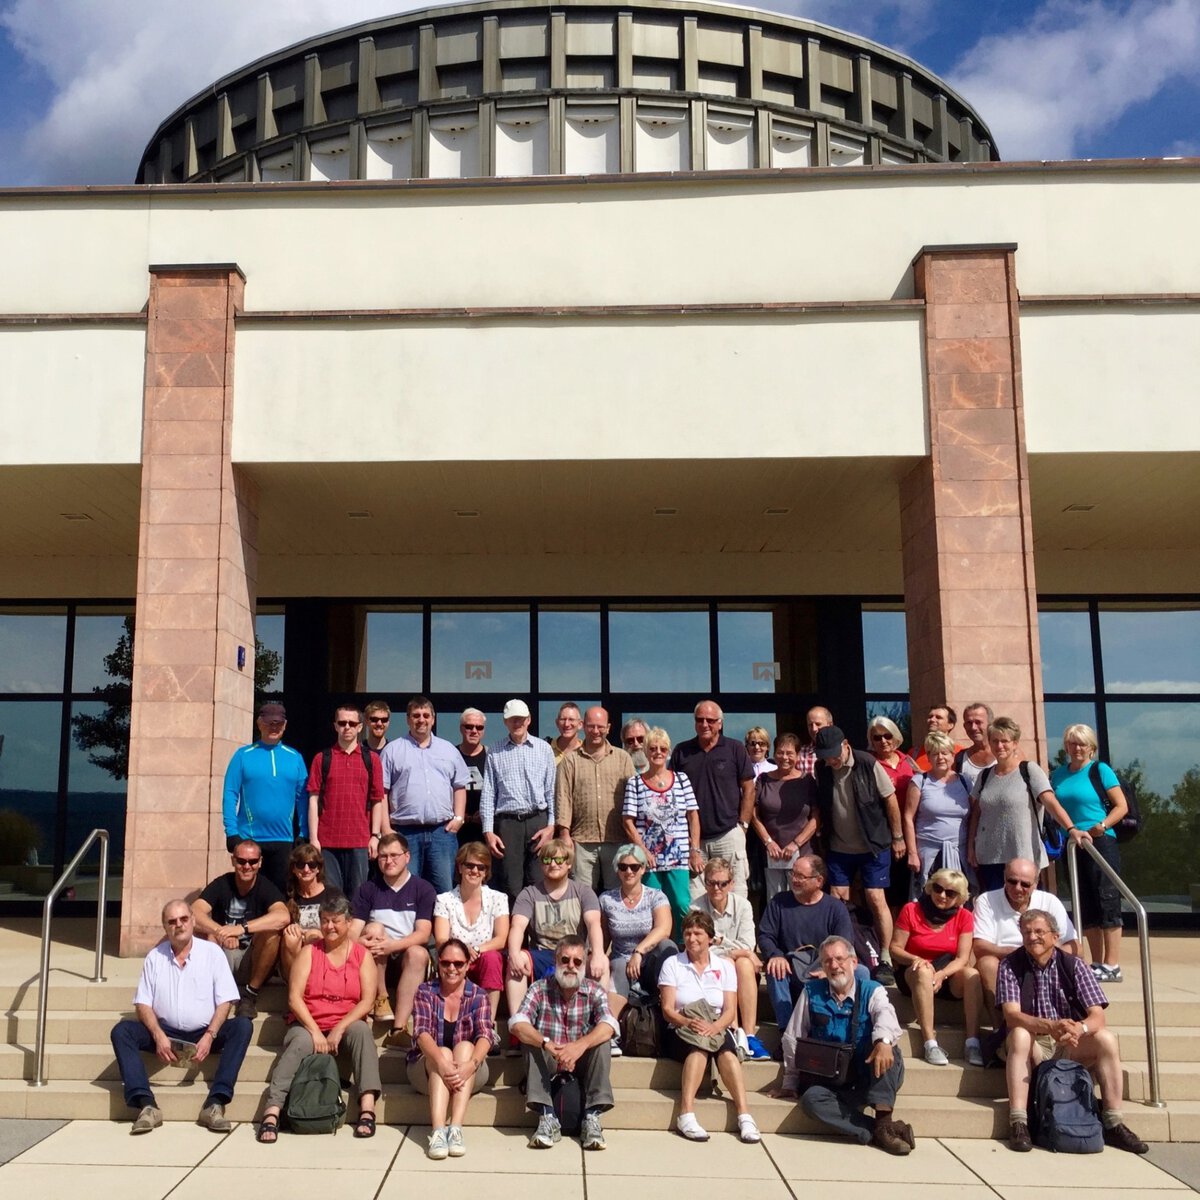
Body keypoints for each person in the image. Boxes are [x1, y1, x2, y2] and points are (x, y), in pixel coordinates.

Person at [997, 909, 1147, 1155]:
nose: (1032, 937)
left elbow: (1098, 1016)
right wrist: (1049, 1026)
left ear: (1055, 936)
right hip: (1033, 1042)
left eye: (1039, 931)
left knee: (1106, 1039)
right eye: (1026, 932)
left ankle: (1113, 1122)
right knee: (1020, 1034)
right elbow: (1011, 1016)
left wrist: (1079, 1028)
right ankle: (1019, 1122)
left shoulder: (1074, 965)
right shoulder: (1010, 965)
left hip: (1069, 1042)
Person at [110, 900, 253, 1134]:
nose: (179, 925)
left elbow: (225, 1001)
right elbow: (143, 1004)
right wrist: (158, 1035)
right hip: (166, 1033)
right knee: (122, 1031)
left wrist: (210, 1035)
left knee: (242, 1026)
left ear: (193, 921)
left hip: (205, 1031)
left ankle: (215, 1103)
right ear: (165, 927)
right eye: (172, 921)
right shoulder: (155, 957)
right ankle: (146, 1105)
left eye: (184, 919)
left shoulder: (212, 953)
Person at [256, 890, 381, 1143]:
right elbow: (294, 998)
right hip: (308, 1022)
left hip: (346, 1023)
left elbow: (367, 1001)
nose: (329, 926)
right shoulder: (309, 952)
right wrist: (314, 1031)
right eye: (325, 920)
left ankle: (367, 1108)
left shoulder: (361, 955)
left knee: (362, 1032)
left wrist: (339, 1028)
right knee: (300, 1042)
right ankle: (272, 1111)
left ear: (349, 923)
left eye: (336, 921)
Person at [774, 935, 914, 1156]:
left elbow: (886, 1015)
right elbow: (793, 1038)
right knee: (811, 1100)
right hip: (834, 1081)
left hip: (872, 1076)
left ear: (854, 962)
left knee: (887, 1048)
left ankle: (884, 1119)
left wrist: (884, 1041)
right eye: (827, 961)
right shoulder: (811, 992)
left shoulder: (872, 989)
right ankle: (880, 1130)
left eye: (839, 959)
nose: (834, 965)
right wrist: (790, 1082)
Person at [659, 911, 761, 1143]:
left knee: (728, 1054)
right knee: (700, 1049)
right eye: (687, 933)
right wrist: (689, 1022)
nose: (692, 938)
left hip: (716, 1022)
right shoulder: (673, 964)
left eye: (698, 933)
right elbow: (667, 1009)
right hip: (681, 1024)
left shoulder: (724, 967)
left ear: (710, 938)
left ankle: (744, 1115)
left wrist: (715, 1027)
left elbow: (730, 1010)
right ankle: (686, 1114)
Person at [509, 933, 617, 1151]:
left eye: (577, 961)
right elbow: (517, 1023)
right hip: (550, 1059)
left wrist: (580, 1046)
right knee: (530, 1039)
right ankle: (547, 1117)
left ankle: (592, 1118)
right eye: (565, 960)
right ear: (556, 961)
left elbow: (609, 1024)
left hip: (582, 1061)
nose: (571, 966)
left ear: (584, 964)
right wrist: (547, 1044)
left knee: (602, 1041)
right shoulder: (539, 988)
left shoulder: (594, 990)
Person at [812, 725, 903, 982]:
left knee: (875, 897)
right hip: (839, 846)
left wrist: (897, 837)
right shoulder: (822, 768)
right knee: (837, 899)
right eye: (825, 756)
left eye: (834, 754)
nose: (831, 760)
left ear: (846, 745)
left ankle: (885, 956)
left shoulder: (867, 763)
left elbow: (890, 799)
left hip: (873, 844)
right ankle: (843, 954)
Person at [967, 716, 1085, 894]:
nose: (999, 746)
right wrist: (971, 846)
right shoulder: (984, 776)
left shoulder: (1029, 770)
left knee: (1025, 905)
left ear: (1015, 743)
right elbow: (976, 814)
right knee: (994, 907)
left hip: (1022, 854)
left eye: (1005, 741)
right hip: (989, 857)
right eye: (995, 741)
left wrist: (1071, 829)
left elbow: (1050, 802)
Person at [1050, 723, 1129, 983]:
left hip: (1100, 841)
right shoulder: (1058, 775)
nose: (1076, 748)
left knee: (1107, 898)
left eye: (1081, 743)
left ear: (1091, 747)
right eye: (1072, 743)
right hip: (1073, 844)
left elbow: (1121, 806)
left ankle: (1112, 964)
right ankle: (1097, 962)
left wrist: (1102, 826)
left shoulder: (1100, 770)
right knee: (1085, 901)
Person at [409, 936, 497, 1159]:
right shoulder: (425, 991)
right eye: (446, 962)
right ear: (438, 964)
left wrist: (471, 1065)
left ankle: (455, 1128)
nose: (451, 968)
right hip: (427, 1070)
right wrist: (441, 1062)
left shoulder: (479, 995)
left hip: (469, 1071)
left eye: (458, 964)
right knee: (443, 1052)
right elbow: (421, 1033)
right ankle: (439, 1131)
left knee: (466, 1046)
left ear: (467, 966)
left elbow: (486, 1035)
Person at [350, 831, 437, 1046]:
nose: (389, 861)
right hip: (374, 961)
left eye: (394, 855)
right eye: (383, 856)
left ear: (407, 856)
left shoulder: (423, 889)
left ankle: (398, 1028)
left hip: (406, 961)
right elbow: (353, 932)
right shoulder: (368, 889)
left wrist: (393, 946)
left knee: (418, 953)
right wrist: (361, 942)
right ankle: (381, 997)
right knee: (375, 929)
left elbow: (423, 933)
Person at [890, 868, 983, 1067]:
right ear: (930, 887)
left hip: (946, 973)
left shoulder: (964, 916)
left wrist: (941, 974)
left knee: (972, 974)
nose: (942, 895)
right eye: (938, 889)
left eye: (950, 893)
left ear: (960, 897)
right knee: (923, 970)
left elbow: (962, 958)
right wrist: (916, 959)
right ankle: (930, 1043)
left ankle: (973, 1042)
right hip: (913, 972)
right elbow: (895, 949)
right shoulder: (911, 910)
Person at [191, 839, 290, 1020]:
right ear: (233, 860)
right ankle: (209, 993)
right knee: (198, 931)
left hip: (253, 961)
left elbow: (283, 916)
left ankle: (250, 995)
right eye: (241, 861)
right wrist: (221, 931)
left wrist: (241, 929)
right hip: (224, 956)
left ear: (260, 862)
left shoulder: (265, 887)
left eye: (252, 861)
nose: (247, 866)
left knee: (273, 933)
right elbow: (194, 912)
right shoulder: (222, 884)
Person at [757, 854, 858, 1029]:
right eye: (793, 874)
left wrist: (828, 968)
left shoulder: (835, 908)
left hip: (825, 964)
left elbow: (845, 944)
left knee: (861, 972)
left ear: (819, 881)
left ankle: (849, 1026)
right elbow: (765, 935)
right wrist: (775, 955)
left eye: (800, 876)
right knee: (775, 970)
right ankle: (788, 1031)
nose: (794, 880)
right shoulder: (779, 903)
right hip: (791, 966)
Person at [380, 695, 469, 895]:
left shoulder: (448, 750)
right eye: (416, 715)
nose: (421, 719)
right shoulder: (392, 750)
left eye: (426, 715)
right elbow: (381, 792)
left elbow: (459, 786)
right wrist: (386, 828)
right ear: (408, 719)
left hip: (442, 833)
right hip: (405, 833)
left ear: (433, 719)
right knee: (404, 890)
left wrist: (459, 818)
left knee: (444, 891)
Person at [670, 700, 755, 899]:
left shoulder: (734, 748)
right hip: (694, 841)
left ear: (720, 723)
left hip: (728, 834)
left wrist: (743, 826)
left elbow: (749, 789)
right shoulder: (682, 751)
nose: (704, 724)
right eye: (700, 720)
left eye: (710, 720)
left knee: (736, 895)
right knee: (697, 899)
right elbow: (672, 793)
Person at [221, 701, 308, 893]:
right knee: (248, 894)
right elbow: (230, 794)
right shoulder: (243, 755)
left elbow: (303, 798)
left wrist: (303, 832)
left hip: (284, 840)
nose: (274, 727)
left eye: (278, 723)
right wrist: (231, 832)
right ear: (259, 723)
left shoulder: (295, 757)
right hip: (249, 839)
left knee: (279, 897)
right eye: (269, 723)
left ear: (285, 725)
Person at [972, 856, 1080, 1012]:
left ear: (1035, 884)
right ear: (1004, 878)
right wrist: (1021, 954)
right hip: (1005, 963)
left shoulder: (1050, 901)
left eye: (1025, 884)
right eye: (1012, 881)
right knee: (987, 963)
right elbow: (980, 946)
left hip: (1046, 962)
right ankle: (1001, 1023)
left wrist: (1044, 956)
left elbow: (1075, 946)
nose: (1017, 888)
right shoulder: (986, 900)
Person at [622, 726, 700, 936]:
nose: (658, 752)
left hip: (678, 856)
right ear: (646, 751)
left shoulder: (682, 779)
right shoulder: (635, 783)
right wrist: (642, 850)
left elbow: (693, 816)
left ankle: (682, 944)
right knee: (653, 906)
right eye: (653, 748)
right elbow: (627, 821)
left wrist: (695, 850)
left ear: (669, 751)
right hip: (649, 859)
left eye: (663, 749)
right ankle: (656, 947)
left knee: (681, 903)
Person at [691, 856, 767, 1059]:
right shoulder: (696, 908)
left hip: (737, 967)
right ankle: (733, 1031)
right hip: (709, 966)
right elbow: (700, 948)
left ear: (731, 884)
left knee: (742, 963)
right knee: (730, 962)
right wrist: (739, 952)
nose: (717, 888)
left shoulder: (743, 905)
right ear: (705, 883)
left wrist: (721, 944)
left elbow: (748, 944)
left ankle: (749, 1035)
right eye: (712, 883)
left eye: (723, 883)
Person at [481, 698, 557, 900]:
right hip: (508, 824)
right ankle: (513, 922)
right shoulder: (495, 751)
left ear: (529, 720)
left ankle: (537, 922)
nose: (517, 723)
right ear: (505, 721)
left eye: (521, 719)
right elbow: (488, 793)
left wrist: (551, 826)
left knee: (539, 881)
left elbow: (552, 791)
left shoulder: (544, 748)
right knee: (510, 884)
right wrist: (488, 831)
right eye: (512, 719)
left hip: (538, 821)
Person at [306, 704, 385, 898]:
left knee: (358, 898)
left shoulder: (372, 759)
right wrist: (314, 839)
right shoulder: (321, 759)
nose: (347, 727)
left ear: (360, 727)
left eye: (352, 723)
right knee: (332, 898)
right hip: (327, 841)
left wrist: (375, 836)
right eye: (342, 723)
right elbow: (313, 800)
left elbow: (377, 800)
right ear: (335, 726)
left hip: (360, 840)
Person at [556, 706, 635, 894]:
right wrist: (564, 835)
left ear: (608, 727)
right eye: (591, 726)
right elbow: (563, 798)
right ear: (583, 726)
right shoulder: (570, 760)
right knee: (583, 894)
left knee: (616, 894)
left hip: (617, 839)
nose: (596, 731)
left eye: (600, 726)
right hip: (582, 841)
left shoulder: (623, 758)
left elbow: (634, 798)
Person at [433, 841, 510, 1018]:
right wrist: (462, 950)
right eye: (469, 865)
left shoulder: (498, 898)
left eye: (481, 867)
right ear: (460, 867)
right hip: (455, 960)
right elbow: (441, 940)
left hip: (483, 959)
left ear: (486, 872)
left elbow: (501, 939)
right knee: (451, 959)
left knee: (492, 958)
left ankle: (488, 1022)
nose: (475, 871)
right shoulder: (444, 900)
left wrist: (475, 949)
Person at [599, 844, 677, 1017]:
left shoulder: (656, 896)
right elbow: (603, 937)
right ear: (617, 870)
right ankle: (612, 1023)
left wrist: (639, 952)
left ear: (642, 869)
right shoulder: (606, 899)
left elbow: (664, 929)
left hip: (649, 963)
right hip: (621, 963)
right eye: (623, 867)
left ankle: (670, 1011)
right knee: (618, 965)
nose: (629, 871)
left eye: (634, 867)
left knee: (668, 946)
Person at [751, 732, 819, 902]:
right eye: (780, 752)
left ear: (798, 755)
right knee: (774, 901)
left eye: (790, 753)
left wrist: (796, 844)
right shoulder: (763, 780)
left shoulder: (807, 781)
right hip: (772, 854)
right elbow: (753, 814)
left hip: (801, 853)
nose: (785, 757)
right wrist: (768, 842)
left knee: (801, 900)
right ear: (774, 754)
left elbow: (816, 817)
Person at [902, 731, 973, 894]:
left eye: (944, 753)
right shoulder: (920, 781)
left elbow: (974, 818)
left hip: (959, 852)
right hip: (929, 853)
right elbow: (908, 817)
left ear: (952, 755)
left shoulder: (965, 782)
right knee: (929, 896)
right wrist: (912, 853)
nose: (940, 757)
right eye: (934, 753)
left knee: (959, 896)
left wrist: (971, 849)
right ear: (928, 757)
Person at [280, 842, 328, 978]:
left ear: (318, 869)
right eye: (301, 865)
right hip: (293, 952)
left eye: (312, 865)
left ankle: (315, 982)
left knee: (313, 935)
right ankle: (296, 983)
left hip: (322, 949)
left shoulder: (332, 895)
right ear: (293, 869)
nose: (306, 870)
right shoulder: (286, 895)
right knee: (291, 936)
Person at [457, 708, 489, 847]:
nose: (474, 731)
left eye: (479, 727)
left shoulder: (491, 756)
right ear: (461, 728)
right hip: (456, 830)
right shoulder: (451, 755)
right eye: (469, 727)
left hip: (485, 832)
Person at [910, 704, 969, 772]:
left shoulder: (960, 753)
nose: (932, 719)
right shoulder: (914, 753)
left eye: (938, 717)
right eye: (930, 716)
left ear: (950, 725)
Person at [956, 702, 995, 792]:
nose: (973, 727)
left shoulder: (1006, 754)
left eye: (978, 722)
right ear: (964, 726)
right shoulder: (960, 759)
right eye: (969, 723)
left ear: (990, 724)